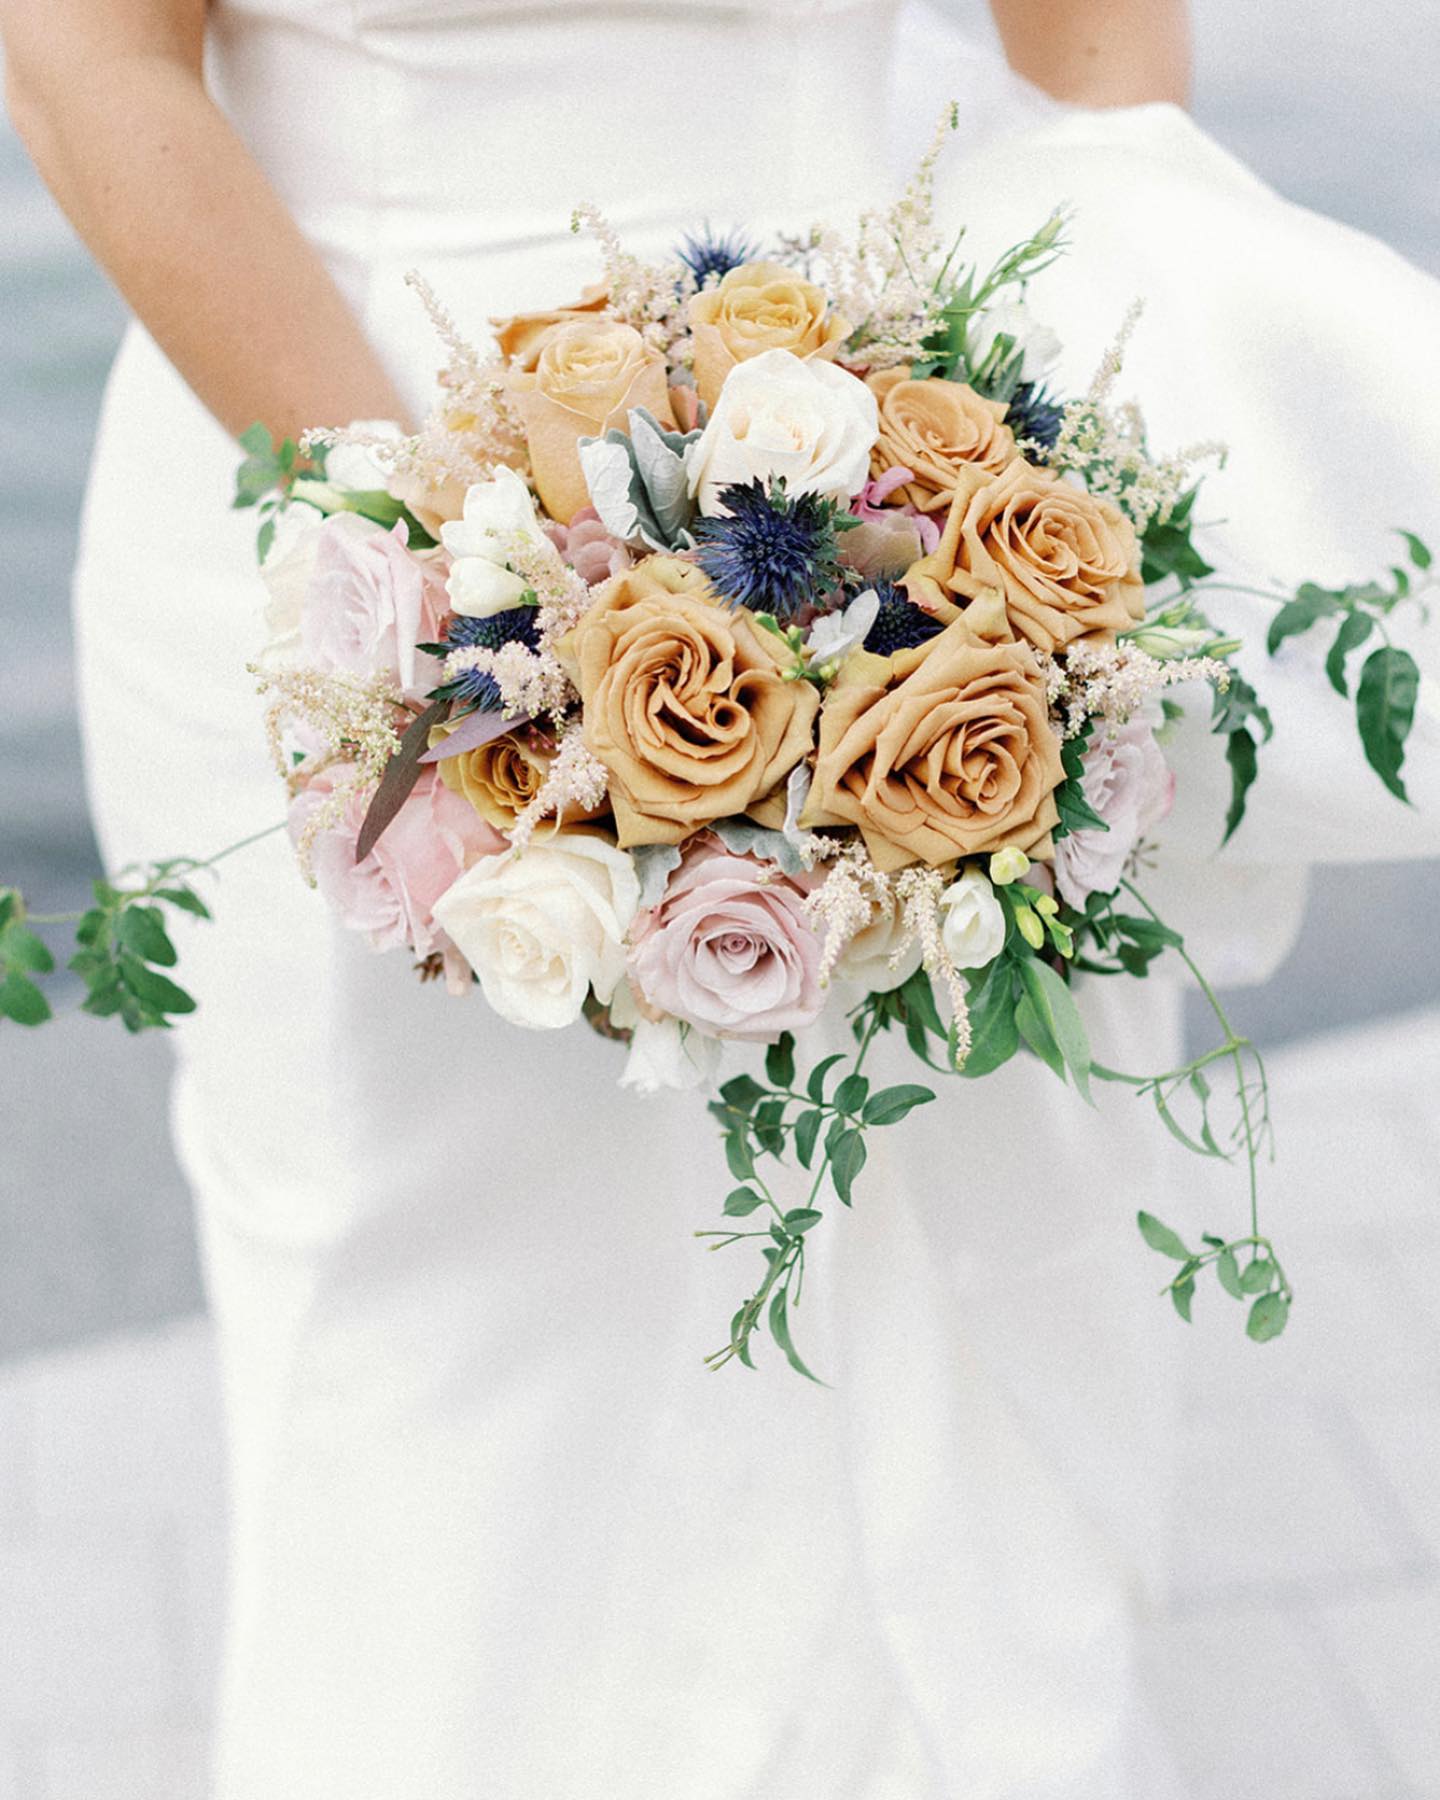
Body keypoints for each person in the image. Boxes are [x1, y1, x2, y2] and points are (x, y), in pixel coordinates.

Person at [3, 0, 1437, 1794]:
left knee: (916, 1289)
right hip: (335, 491)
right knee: (434, 1351)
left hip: (888, 527)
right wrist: (467, 599)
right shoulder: (405, 580)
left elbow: (1096, 57)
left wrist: (982, 491)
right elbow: (88, 56)